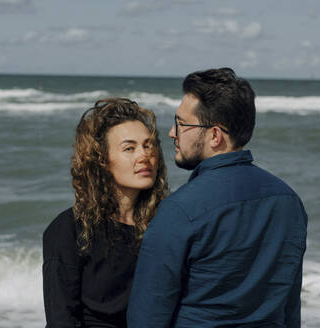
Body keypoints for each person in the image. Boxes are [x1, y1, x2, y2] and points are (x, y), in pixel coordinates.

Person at [127, 68, 308, 327]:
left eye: (181, 123)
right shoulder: (289, 202)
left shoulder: (179, 210)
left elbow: (146, 320)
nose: (171, 133)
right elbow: (290, 308)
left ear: (214, 135)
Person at [43, 98, 168, 328]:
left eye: (148, 145)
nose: (144, 156)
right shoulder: (69, 229)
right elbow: (61, 320)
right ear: (101, 160)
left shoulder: (165, 225)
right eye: (129, 148)